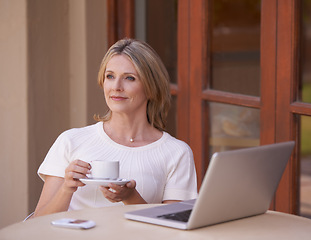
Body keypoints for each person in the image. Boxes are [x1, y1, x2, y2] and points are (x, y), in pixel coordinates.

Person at [32, 38, 198, 218]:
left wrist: (130, 197)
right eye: (110, 76)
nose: (116, 87)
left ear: (151, 87)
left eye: (129, 78)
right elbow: (37, 223)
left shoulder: (176, 152)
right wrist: (66, 188)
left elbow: (174, 229)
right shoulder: (70, 141)